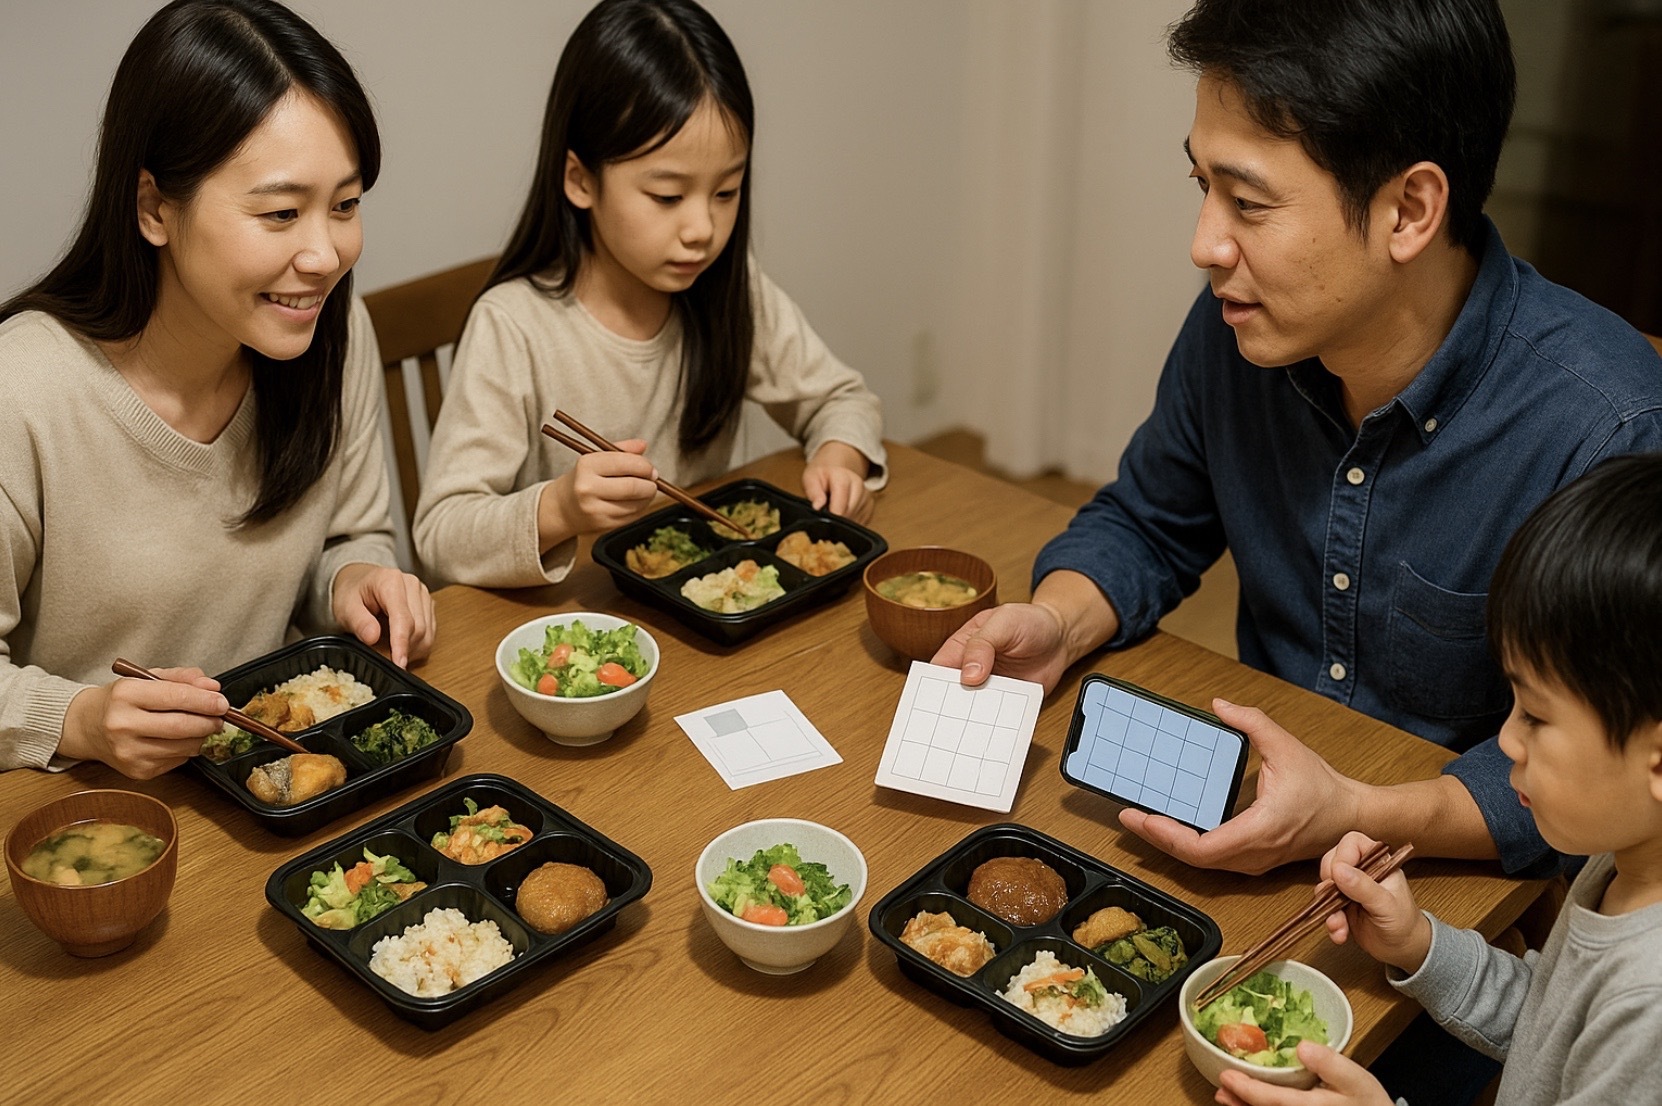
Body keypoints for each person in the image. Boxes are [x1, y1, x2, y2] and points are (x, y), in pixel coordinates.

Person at [936, 0, 1662, 878]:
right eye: (1202, 189)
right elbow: (1148, 520)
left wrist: (1353, 811)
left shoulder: (1610, 433)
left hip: (1465, 898)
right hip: (1258, 816)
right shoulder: (1244, 327)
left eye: (1248, 202)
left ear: (1410, 210)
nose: (1206, 245)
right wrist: (1056, 619)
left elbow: (1607, 775)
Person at [0, 0, 434, 778]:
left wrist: (356, 577)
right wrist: (80, 718)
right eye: (279, 212)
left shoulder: (332, 333)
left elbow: (348, 534)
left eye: (345, 205)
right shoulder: (23, 391)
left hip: (283, 781)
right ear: (154, 208)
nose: (325, 255)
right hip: (103, 820)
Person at [1216, 454, 1662, 1106]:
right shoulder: (1627, 859)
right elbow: (1548, 1029)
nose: (1506, 739)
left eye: (1536, 715)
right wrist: (1419, 942)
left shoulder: (1648, 1007)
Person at [412, 0, 886, 590]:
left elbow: (841, 397)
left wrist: (839, 459)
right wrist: (560, 508)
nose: (702, 230)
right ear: (580, 180)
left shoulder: (729, 289)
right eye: (667, 196)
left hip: (715, 610)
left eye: (726, 191)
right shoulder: (514, 327)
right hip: (581, 630)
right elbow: (441, 534)